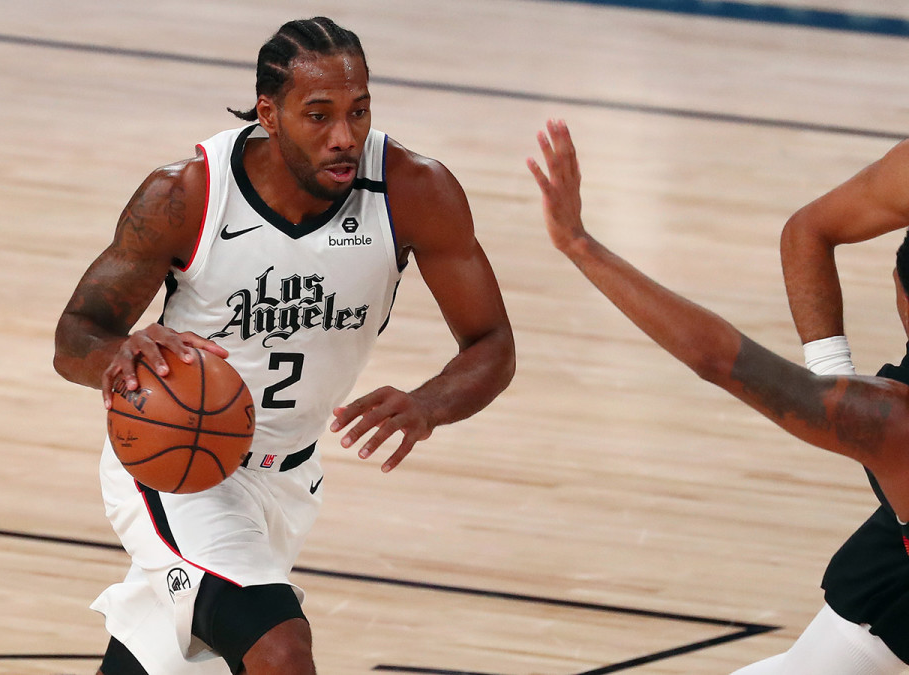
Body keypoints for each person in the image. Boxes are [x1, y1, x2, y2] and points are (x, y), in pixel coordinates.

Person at [45, 16, 513, 675]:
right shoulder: (189, 193)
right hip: (179, 467)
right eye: (318, 115)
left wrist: (429, 404)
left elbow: (492, 342)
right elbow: (76, 335)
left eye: (359, 111)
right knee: (281, 651)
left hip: (289, 480)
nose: (344, 137)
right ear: (270, 113)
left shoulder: (413, 191)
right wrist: (117, 354)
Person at [528, 119, 909, 675]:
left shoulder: (892, 423)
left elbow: (718, 358)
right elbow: (807, 231)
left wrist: (580, 245)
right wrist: (838, 389)